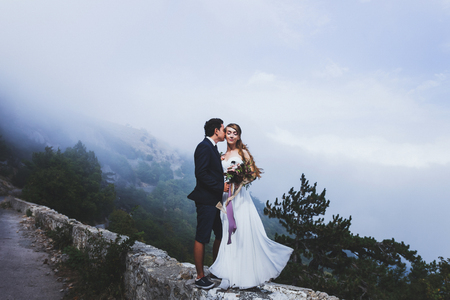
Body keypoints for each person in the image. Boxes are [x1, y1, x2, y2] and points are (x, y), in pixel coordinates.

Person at [209, 123, 293, 290]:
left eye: (235, 133)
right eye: (229, 132)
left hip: (240, 197)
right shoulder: (222, 155)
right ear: (225, 135)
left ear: (239, 136)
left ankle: (244, 275)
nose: (231, 135)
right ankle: (227, 275)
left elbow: (253, 174)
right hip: (226, 197)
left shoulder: (243, 153)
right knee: (227, 233)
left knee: (242, 232)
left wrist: (238, 179)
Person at [188, 118, 229, 289]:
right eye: (223, 128)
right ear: (216, 130)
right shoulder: (204, 147)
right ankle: (199, 277)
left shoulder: (212, 147)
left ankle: (216, 269)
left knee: (221, 232)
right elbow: (201, 174)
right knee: (202, 236)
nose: (225, 131)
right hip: (206, 201)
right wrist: (221, 186)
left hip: (215, 202)